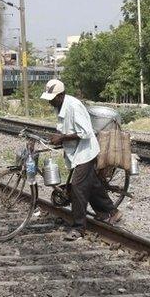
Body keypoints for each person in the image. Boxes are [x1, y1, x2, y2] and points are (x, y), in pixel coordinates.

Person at [40, 79, 123, 241]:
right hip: (75, 152)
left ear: (62, 95)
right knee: (91, 185)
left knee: (78, 187)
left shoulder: (74, 106)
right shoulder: (60, 106)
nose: (50, 101)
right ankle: (111, 212)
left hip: (85, 152)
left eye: (53, 98)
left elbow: (85, 132)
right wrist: (57, 138)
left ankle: (78, 227)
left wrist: (62, 137)